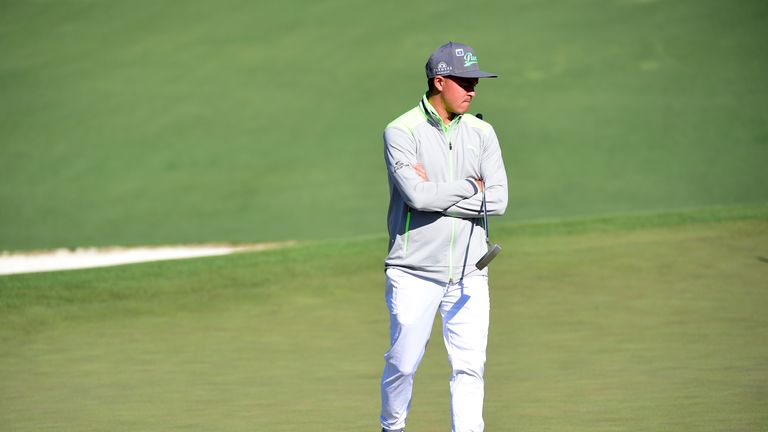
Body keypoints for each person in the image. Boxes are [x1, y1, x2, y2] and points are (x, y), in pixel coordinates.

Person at [380, 41, 509, 432]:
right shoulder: (401, 131)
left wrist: (439, 195)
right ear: (440, 81)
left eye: (475, 82)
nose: (473, 90)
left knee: (470, 367)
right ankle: (392, 427)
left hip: (470, 271)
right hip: (414, 270)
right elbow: (416, 196)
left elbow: (499, 200)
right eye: (465, 82)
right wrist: (472, 186)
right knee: (403, 363)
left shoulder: (482, 132)